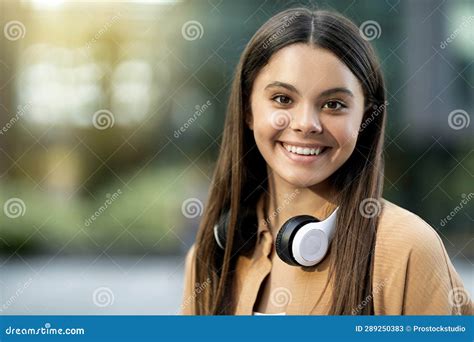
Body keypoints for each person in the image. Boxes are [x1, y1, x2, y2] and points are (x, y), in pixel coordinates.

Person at [180, 8, 472, 315]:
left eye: (334, 104)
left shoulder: (408, 250)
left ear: (365, 118)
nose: (306, 124)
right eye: (282, 99)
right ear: (248, 109)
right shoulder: (210, 259)